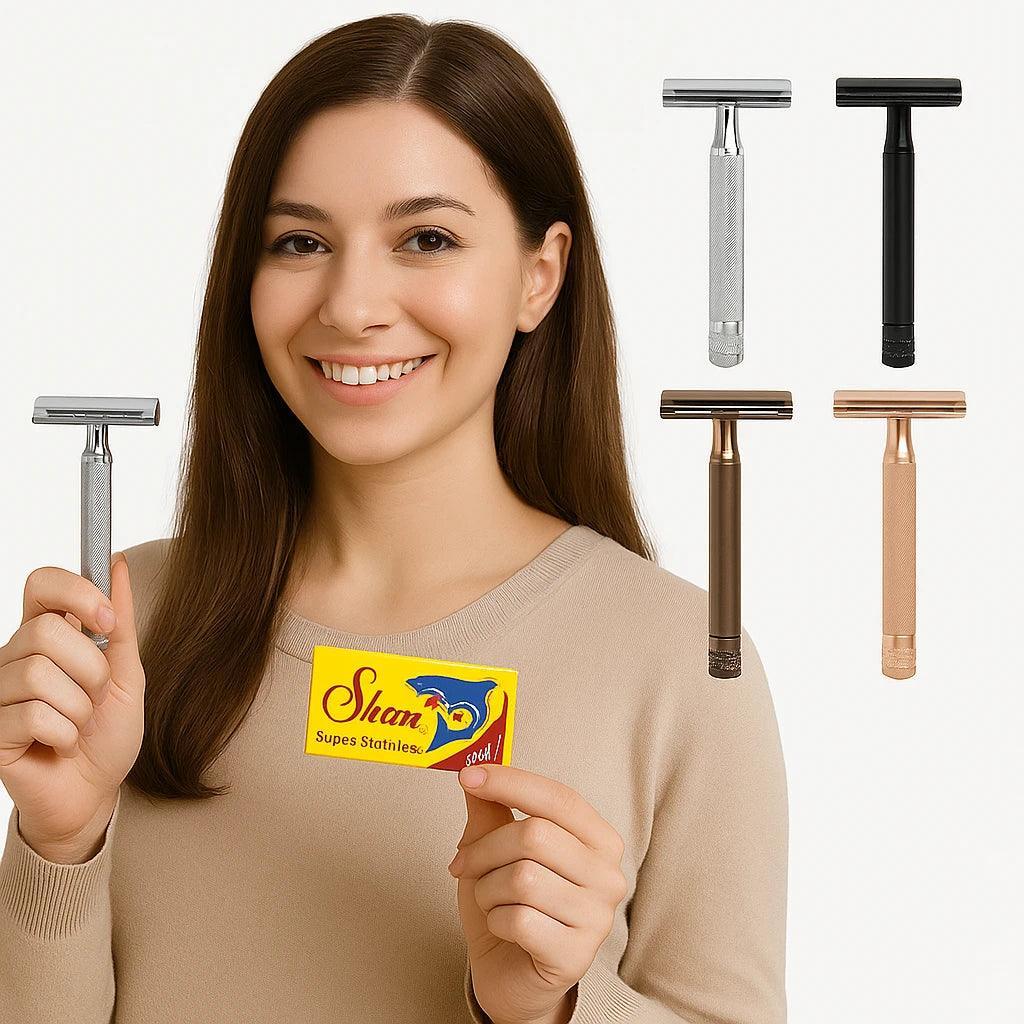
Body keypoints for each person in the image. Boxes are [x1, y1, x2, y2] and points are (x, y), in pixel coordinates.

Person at [0, 14, 788, 1023]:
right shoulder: (121, 625)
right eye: (300, 242)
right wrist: (58, 844)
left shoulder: (683, 658)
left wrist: (550, 1007)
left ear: (540, 274)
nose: (352, 304)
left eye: (427, 239)